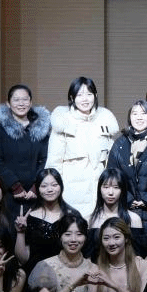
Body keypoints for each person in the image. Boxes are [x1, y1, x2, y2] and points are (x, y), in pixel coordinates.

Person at [46, 76, 118, 216]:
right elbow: (54, 163)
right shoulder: (63, 122)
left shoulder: (104, 120)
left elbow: (112, 160)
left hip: (100, 190)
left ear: (95, 96)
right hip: (71, 192)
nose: (85, 99)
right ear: (72, 98)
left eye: (89, 94)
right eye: (80, 95)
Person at [108, 100, 147, 241]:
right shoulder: (119, 143)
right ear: (129, 117)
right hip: (126, 209)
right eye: (134, 113)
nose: (139, 117)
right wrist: (128, 199)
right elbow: (113, 175)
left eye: (143, 113)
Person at [0, 83, 51, 204]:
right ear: (8, 103)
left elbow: (45, 159)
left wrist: (38, 185)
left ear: (30, 102)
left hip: (37, 192)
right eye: (16, 100)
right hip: (8, 190)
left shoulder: (41, 127)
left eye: (25, 99)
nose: (21, 103)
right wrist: (14, 185)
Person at [14, 168, 78, 268]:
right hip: (36, 273)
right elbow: (22, 259)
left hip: (65, 273)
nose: (50, 189)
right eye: (44, 186)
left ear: (61, 186)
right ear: (37, 189)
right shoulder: (28, 218)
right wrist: (20, 232)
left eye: (54, 185)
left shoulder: (72, 216)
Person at [86, 168, 147, 258]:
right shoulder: (90, 220)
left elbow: (139, 255)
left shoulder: (134, 219)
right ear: (99, 189)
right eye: (106, 187)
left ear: (122, 190)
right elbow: (87, 255)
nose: (110, 193)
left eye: (116, 187)